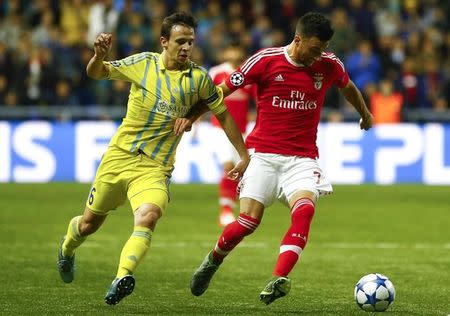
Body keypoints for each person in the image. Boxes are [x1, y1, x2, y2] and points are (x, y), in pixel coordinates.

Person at [174, 12, 373, 305]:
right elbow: (222, 91)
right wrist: (192, 116)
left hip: (302, 158)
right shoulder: (265, 60)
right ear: (298, 40)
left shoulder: (328, 64)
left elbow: (349, 88)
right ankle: (213, 260)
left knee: (304, 211)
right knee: (248, 222)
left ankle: (279, 277)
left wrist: (365, 113)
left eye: (322, 50)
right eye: (314, 49)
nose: (318, 56)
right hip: (263, 155)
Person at [56, 12, 249, 306]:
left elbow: (223, 115)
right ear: (164, 41)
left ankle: (122, 276)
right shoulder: (141, 63)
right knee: (88, 224)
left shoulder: (199, 79)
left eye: (191, 42)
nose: (186, 47)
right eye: (180, 41)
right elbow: (96, 73)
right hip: (119, 159)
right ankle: (68, 250)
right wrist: (98, 56)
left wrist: (244, 154)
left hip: (155, 168)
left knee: (148, 216)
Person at [208, 43, 255, 226]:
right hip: (219, 128)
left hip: (241, 130)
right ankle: (225, 211)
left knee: (238, 170)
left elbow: (257, 99)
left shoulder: (247, 74)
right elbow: (204, 96)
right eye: (231, 49)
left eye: (237, 49)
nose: (234, 52)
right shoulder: (217, 72)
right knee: (228, 166)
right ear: (226, 52)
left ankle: (231, 208)